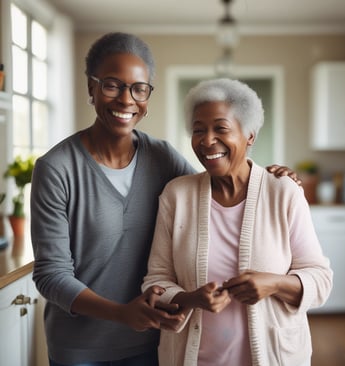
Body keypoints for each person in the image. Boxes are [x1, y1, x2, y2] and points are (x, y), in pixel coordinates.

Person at [30, 32, 301, 366]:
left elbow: (213, 185)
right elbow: (50, 274)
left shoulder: (162, 157)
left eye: (139, 88)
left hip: (152, 342)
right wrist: (122, 314)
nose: (126, 100)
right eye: (112, 85)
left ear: (147, 95)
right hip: (81, 349)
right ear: (91, 87)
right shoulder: (56, 169)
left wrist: (273, 178)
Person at [142, 78, 333, 366]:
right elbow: (156, 280)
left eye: (221, 128)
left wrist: (275, 284)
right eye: (198, 130)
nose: (207, 140)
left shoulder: (283, 192)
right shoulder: (176, 195)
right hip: (191, 358)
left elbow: (321, 280)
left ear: (250, 135)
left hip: (274, 357)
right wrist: (191, 298)